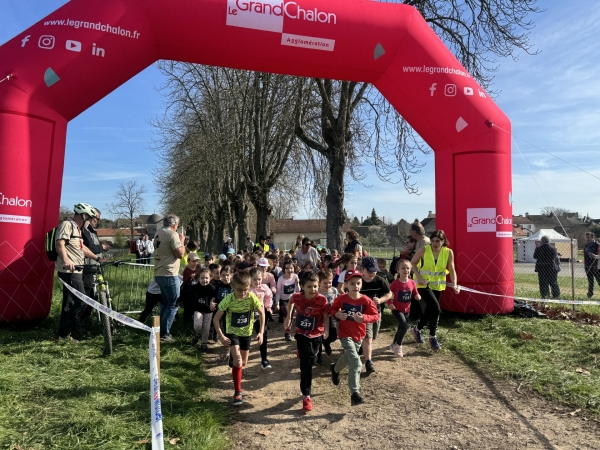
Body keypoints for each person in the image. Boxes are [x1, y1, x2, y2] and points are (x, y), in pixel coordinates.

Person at [213, 272, 265, 406]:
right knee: (238, 361)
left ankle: (233, 358)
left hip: (246, 333)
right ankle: (237, 392)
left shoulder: (252, 297)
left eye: (246, 290)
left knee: (244, 362)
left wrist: (260, 332)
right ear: (232, 287)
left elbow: (262, 313)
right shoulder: (228, 300)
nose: (243, 293)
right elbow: (216, 318)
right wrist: (221, 335)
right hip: (232, 333)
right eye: (239, 290)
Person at [329, 270, 379, 406]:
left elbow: (375, 316)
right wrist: (337, 315)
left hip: (359, 335)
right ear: (346, 285)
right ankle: (355, 394)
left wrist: (364, 318)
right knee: (356, 362)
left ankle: (334, 369)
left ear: (361, 284)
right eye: (352, 283)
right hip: (345, 334)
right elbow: (332, 310)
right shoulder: (341, 299)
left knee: (348, 357)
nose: (355, 286)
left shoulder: (365, 300)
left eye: (358, 283)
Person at [54, 203, 102, 341]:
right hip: (69, 270)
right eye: (91, 218)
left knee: (69, 304)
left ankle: (64, 334)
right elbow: (60, 244)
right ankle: (63, 332)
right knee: (82, 300)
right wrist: (66, 260)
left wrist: (98, 258)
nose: (92, 221)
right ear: (84, 215)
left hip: (77, 270)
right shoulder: (67, 225)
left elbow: (83, 249)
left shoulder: (77, 229)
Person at [284, 272, 329, 412]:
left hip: (316, 334)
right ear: (302, 286)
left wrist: (326, 330)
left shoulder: (322, 300)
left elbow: (326, 316)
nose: (313, 289)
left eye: (315, 286)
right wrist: (289, 318)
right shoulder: (297, 296)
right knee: (306, 365)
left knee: (313, 357)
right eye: (309, 286)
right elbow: (291, 301)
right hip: (301, 333)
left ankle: (306, 354)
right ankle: (306, 395)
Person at [410, 230, 459, 351]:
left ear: (443, 241)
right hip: (423, 284)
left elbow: (452, 270)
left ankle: (417, 329)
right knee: (436, 309)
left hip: (437, 285)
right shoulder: (424, 250)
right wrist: (419, 277)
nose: (435, 243)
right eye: (433, 241)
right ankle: (432, 337)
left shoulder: (448, 252)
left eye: (438, 241)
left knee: (430, 310)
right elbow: (413, 263)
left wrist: (455, 284)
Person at [154, 214, 185, 343]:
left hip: (159, 272)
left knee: (166, 303)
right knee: (173, 304)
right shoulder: (173, 235)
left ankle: (160, 331)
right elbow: (180, 254)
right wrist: (182, 240)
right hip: (170, 274)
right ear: (174, 225)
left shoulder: (158, 232)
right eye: (177, 225)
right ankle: (164, 334)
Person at [359, 256, 392, 374]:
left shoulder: (380, 281)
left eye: (374, 270)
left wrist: (381, 300)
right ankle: (368, 362)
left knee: (373, 336)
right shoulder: (358, 282)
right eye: (369, 271)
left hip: (376, 313)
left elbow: (389, 293)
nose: (372, 273)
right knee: (368, 337)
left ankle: (361, 348)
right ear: (362, 269)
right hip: (362, 315)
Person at [387, 260, 421, 357]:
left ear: (410, 270)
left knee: (401, 328)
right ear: (398, 270)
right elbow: (387, 294)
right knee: (405, 327)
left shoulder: (412, 282)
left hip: (407, 309)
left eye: (408, 268)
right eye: (403, 268)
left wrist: (417, 296)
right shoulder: (395, 283)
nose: (406, 270)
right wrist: (389, 303)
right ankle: (398, 345)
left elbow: (415, 292)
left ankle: (393, 344)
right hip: (396, 309)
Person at [184, 268, 217, 351]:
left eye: (206, 278)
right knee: (198, 325)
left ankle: (204, 344)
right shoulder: (195, 287)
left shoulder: (211, 288)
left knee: (206, 327)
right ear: (198, 278)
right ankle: (198, 334)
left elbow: (216, 296)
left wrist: (212, 302)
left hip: (208, 311)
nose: (204, 280)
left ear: (210, 278)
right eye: (202, 278)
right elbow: (187, 294)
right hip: (198, 309)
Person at [249, 268, 274, 370]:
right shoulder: (248, 290)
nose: (257, 282)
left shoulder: (265, 288)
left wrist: (268, 307)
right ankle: (235, 355)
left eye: (259, 279)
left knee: (263, 335)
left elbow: (269, 297)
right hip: (248, 317)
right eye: (254, 279)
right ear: (249, 279)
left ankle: (264, 359)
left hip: (260, 316)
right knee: (245, 336)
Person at [317, 269, 339, 363]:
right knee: (318, 337)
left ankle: (326, 343)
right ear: (319, 283)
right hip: (319, 317)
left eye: (329, 282)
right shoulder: (317, 292)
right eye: (325, 283)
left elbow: (337, 301)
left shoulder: (334, 290)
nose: (327, 285)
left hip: (331, 316)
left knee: (333, 334)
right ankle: (318, 356)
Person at [275, 260, 300, 340]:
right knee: (287, 315)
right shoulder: (280, 279)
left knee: (291, 316)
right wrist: (277, 303)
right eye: (287, 268)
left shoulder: (295, 276)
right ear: (284, 269)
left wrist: (297, 284)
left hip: (292, 300)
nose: (290, 270)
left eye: (291, 268)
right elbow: (278, 292)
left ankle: (287, 331)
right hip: (284, 300)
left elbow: (298, 290)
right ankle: (287, 332)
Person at [584, 232, 600, 298]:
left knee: (599, 280)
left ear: (592, 237)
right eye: (587, 237)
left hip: (595, 266)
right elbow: (585, 255)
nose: (587, 239)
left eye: (589, 237)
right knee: (590, 281)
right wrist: (585, 264)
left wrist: (594, 257)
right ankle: (590, 294)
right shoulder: (586, 245)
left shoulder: (597, 245)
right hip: (587, 265)